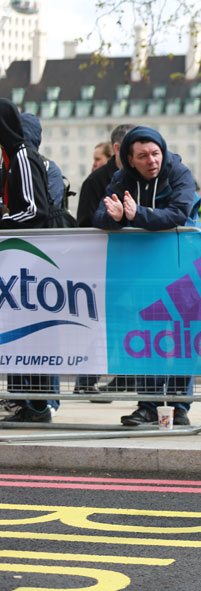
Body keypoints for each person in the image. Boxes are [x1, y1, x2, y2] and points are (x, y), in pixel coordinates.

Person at [93, 125, 201, 427]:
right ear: (130, 159)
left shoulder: (179, 172)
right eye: (142, 156)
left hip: (182, 266)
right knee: (147, 338)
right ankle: (148, 406)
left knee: (181, 338)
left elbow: (179, 213)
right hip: (144, 271)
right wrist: (116, 218)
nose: (151, 160)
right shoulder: (121, 179)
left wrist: (136, 214)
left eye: (155, 153)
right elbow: (100, 215)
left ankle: (180, 407)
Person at [0, 99, 58, 422]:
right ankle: (30, 404)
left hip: (33, 260)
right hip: (22, 259)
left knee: (34, 334)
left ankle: (38, 406)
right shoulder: (11, 159)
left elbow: (36, 211)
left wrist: (2, 223)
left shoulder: (22, 156)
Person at [74, 124, 137, 396]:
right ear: (119, 149)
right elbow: (84, 224)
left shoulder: (137, 176)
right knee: (98, 321)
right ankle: (86, 380)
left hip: (130, 262)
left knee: (126, 320)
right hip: (104, 263)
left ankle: (125, 375)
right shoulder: (96, 181)